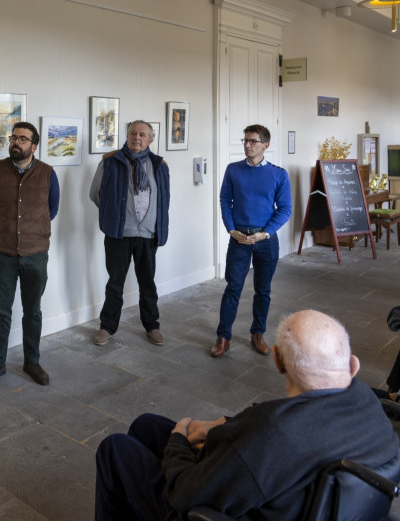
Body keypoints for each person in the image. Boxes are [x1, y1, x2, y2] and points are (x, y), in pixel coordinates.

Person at [95, 310, 400, 520]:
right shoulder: (371, 407)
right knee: (145, 425)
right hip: (290, 498)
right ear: (352, 365)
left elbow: (185, 493)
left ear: (278, 360)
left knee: (115, 449)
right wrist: (224, 425)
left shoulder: (275, 434)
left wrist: (177, 440)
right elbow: (273, 425)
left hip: (212, 508)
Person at [0, 121, 59, 387]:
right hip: (2, 253)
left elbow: (52, 209)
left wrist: (31, 231)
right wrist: (7, 228)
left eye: (23, 139)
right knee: (1, 311)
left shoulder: (48, 173)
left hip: (36, 253)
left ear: (34, 146)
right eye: (13, 138)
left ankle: (31, 361)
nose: (16, 142)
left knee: (32, 311)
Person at [212, 124, 291, 358]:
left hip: (266, 240)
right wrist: (231, 229)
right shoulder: (233, 170)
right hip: (239, 238)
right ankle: (223, 336)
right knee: (232, 288)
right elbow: (225, 201)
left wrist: (265, 233)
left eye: (253, 141)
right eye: (245, 140)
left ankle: (258, 334)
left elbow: (285, 209)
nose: (247, 145)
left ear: (265, 145)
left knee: (263, 290)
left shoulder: (278, 174)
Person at [89, 120, 170, 346]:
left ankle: (152, 326)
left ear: (150, 139)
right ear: (127, 135)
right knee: (115, 283)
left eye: (142, 134)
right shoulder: (110, 162)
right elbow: (96, 194)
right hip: (119, 234)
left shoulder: (160, 166)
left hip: (148, 234)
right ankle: (107, 327)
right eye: (133, 133)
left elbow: (164, 200)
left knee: (148, 283)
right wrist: (114, 215)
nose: (137, 137)